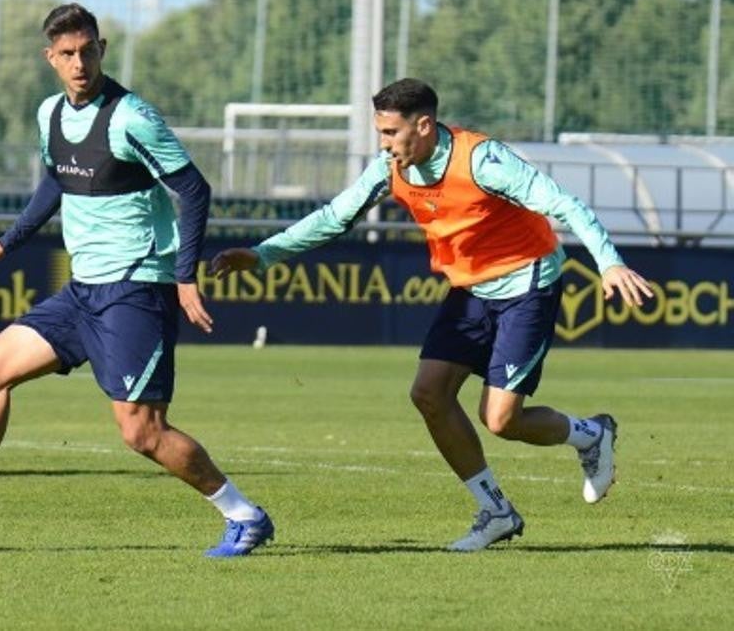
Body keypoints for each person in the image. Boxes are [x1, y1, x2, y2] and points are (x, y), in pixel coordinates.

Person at [212, 78, 654, 552]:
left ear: (423, 125)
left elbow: (564, 203)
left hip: (527, 283)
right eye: (379, 132)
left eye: (390, 132)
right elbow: (333, 216)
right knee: (429, 394)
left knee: (502, 420)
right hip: (470, 291)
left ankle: (591, 435)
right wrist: (262, 255)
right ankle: (496, 511)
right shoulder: (390, 168)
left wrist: (608, 261)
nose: (383, 144)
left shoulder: (482, 160)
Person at [0, 3, 274, 557]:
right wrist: (6, 241)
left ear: (102, 49)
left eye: (87, 50)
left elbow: (193, 190)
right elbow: (53, 182)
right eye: (66, 53)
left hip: (137, 287)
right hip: (82, 292)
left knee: (142, 432)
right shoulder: (48, 115)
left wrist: (184, 277)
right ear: (50, 58)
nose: (79, 62)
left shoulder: (132, 117)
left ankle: (244, 515)